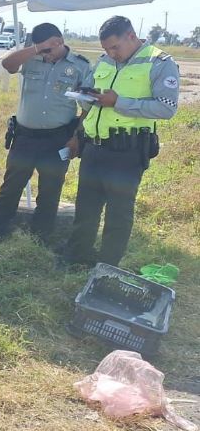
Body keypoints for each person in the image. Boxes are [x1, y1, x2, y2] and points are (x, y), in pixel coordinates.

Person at [63, 16, 180, 267]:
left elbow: (166, 108)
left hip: (127, 153)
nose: (111, 54)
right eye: (106, 49)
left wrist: (119, 102)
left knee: (118, 215)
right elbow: (93, 99)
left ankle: (107, 267)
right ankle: (76, 258)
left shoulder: (159, 62)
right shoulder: (105, 61)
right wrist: (85, 95)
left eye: (115, 47)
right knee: (86, 209)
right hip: (94, 148)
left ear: (131, 35)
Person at [0, 23, 90, 241]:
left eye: (50, 50)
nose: (47, 55)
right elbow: (8, 65)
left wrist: (76, 138)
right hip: (25, 136)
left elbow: (87, 108)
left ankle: (40, 238)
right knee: (11, 186)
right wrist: (37, 49)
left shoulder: (80, 66)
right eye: (42, 50)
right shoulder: (31, 58)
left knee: (50, 191)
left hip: (58, 138)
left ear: (60, 42)